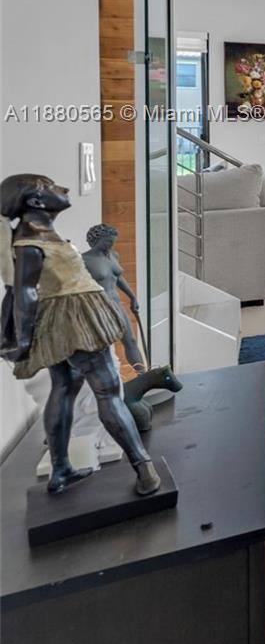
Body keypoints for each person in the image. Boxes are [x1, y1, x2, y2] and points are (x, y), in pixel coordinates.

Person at [0, 173, 161, 495]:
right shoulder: (31, 241)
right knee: (107, 392)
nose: (63, 189)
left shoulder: (41, 235)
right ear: (34, 201)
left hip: (67, 320)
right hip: (74, 323)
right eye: (51, 188)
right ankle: (143, 467)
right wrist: (22, 338)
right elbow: (23, 292)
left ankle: (61, 469)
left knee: (64, 388)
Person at [81, 224, 147, 373]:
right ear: (96, 240)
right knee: (103, 346)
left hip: (116, 303)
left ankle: (142, 375)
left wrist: (132, 297)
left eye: (113, 241)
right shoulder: (83, 260)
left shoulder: (113, 255)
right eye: (107, 242)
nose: (111, 245)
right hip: (99, 307)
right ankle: (106, 379)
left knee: (130, 340)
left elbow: (118, 278)